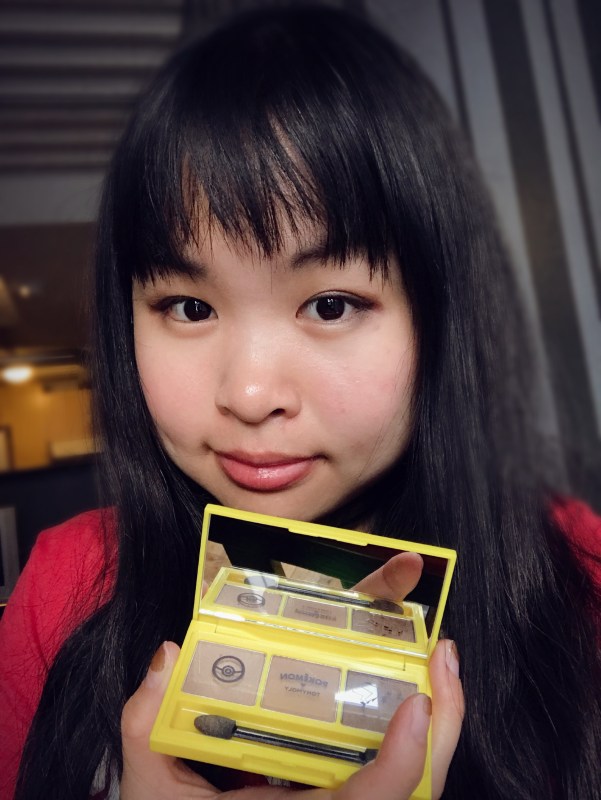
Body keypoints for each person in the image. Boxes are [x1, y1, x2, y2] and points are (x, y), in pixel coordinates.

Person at [1, 5, 600, 799]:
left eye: (330, 305)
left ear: (438, 317)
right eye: (188, 306)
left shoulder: (578, 573)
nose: (249, 396)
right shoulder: (66, 587)